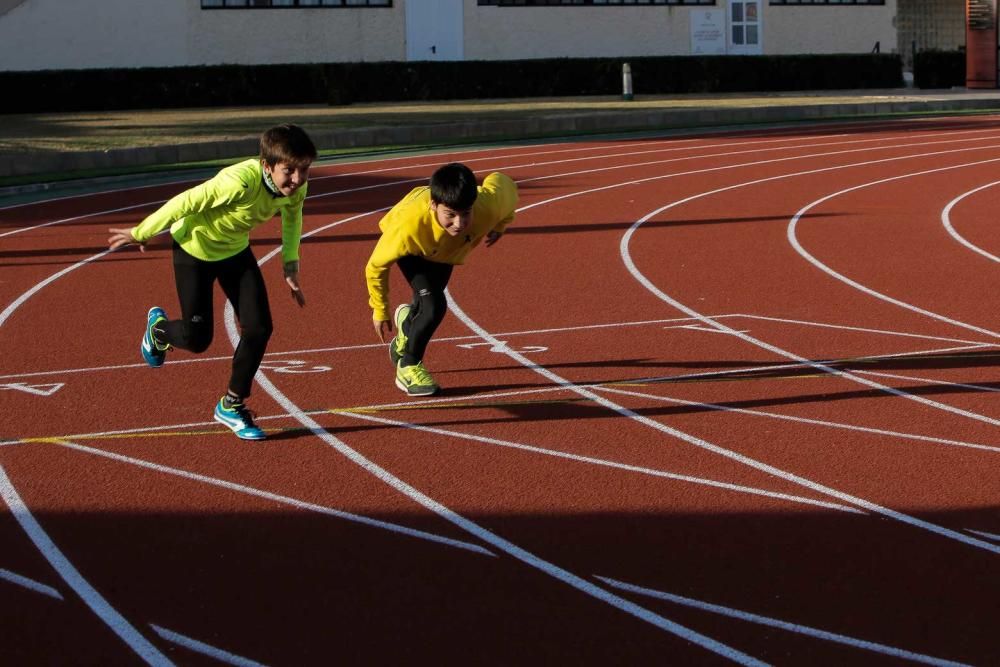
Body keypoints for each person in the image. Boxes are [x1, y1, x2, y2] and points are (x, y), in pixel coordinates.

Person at [107, 123, 316, 440]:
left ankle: (231, 405)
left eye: (304, 170)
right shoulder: (238, 182)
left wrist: (290, 263)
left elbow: (292, 218)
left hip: (234, 251)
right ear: (266, 166)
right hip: (194, 249)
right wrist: (142, 231)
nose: (297, 179)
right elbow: (186, 202)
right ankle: (158, 329)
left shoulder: (297, 187)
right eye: (289, 171)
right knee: (196, 339)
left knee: (259, 327)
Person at [365, 162, 518, 396]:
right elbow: (375, 267)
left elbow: (505, 184)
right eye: (450, 215)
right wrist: (380, 309)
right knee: (434, 304)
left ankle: (406, 326)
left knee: (425, 300)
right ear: (434, 205)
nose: (459, 223)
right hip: (414, 249)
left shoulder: (487, 207)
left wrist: (501, 225)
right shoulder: (406, 229)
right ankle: (408, 366)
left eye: (466, 214)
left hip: (446, 252)